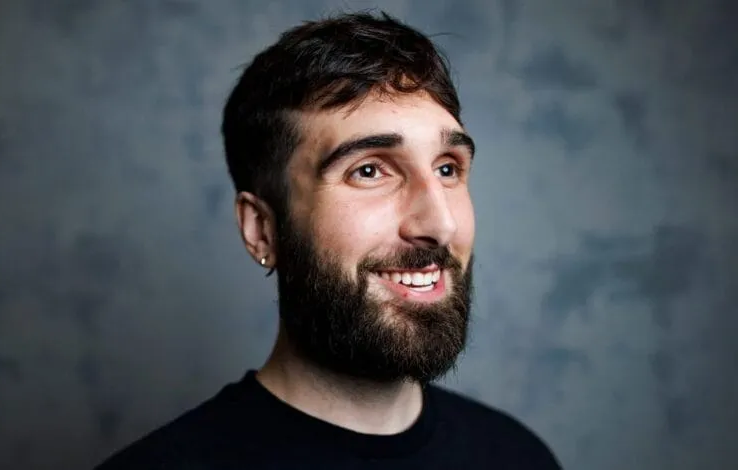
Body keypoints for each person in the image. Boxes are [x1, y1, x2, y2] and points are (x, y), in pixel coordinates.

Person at [94, 10, 561, 469]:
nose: (440, 224)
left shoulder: (517, 456)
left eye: (447, 168)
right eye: (369, 170)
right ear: (261, 229)